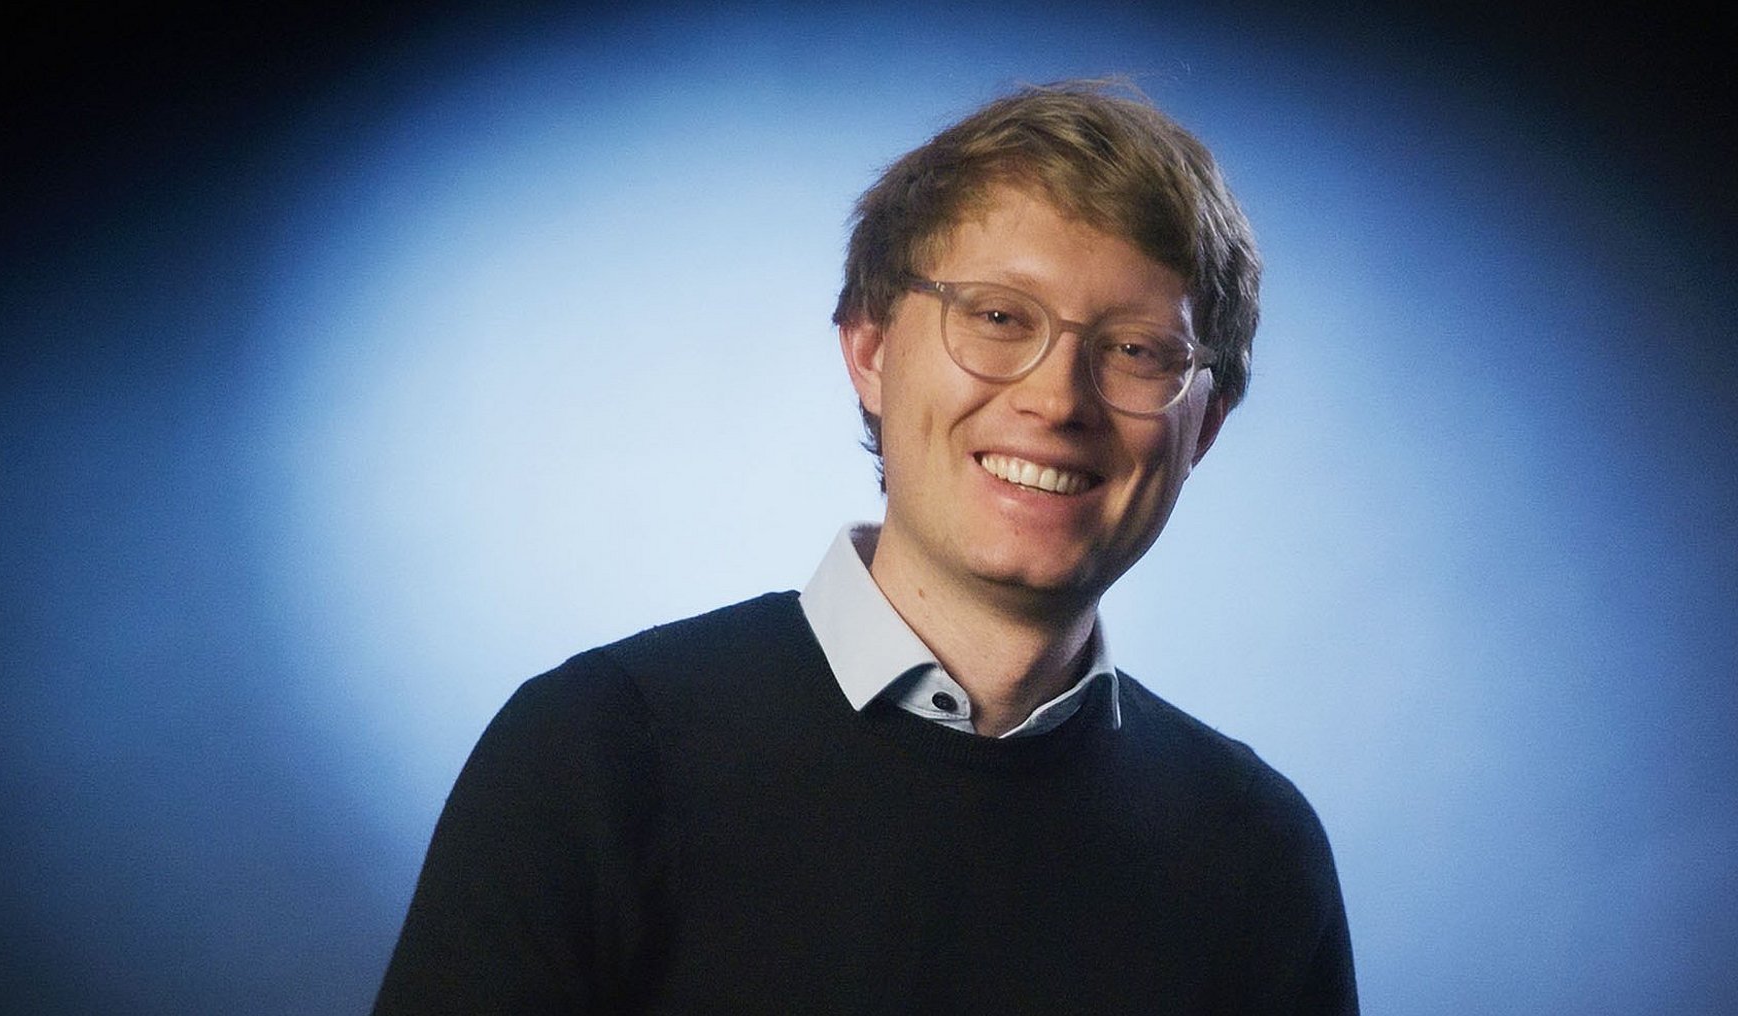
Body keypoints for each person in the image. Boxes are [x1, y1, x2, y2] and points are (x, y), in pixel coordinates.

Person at [372, 80, 1356, 1014]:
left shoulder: (1256, 855)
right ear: (872, 350)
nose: (1057, 400)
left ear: (1205, 425)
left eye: (1137, 349)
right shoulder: (597, 756)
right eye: (999, 317)